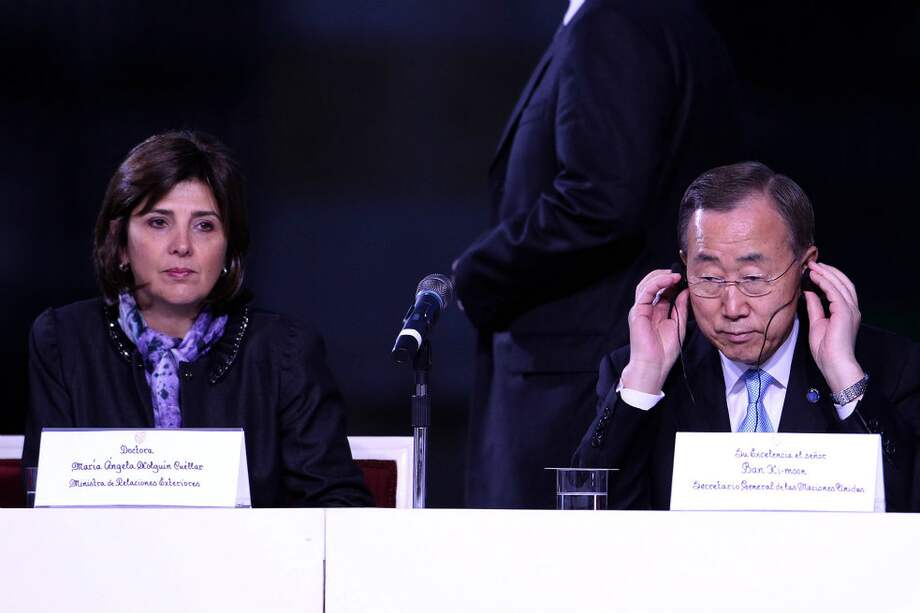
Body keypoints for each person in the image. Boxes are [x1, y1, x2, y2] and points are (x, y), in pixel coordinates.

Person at [453, 0, 739, 508]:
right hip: (621, 364)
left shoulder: (614, 21)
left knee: (549, 577)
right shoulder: (680, 19)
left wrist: (477, 272)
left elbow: (601, 201)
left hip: (579, 379)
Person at [23, 130, 373, 508]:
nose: (182, 245)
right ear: (120, 241)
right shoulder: (64, 340)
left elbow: (340, 507)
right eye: (159, 222)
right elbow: (44, 507)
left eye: (204, 225)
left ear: (229, 249)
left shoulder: (283, 352)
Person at [574, 161, 920, 511]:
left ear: (806, 267)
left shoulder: (891, 365)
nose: (733, 306)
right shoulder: (638, 374)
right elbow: (586, 517)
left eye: (753, 278)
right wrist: (643, 380)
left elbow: (905, 508)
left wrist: (846, 380)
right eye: (709, 278)